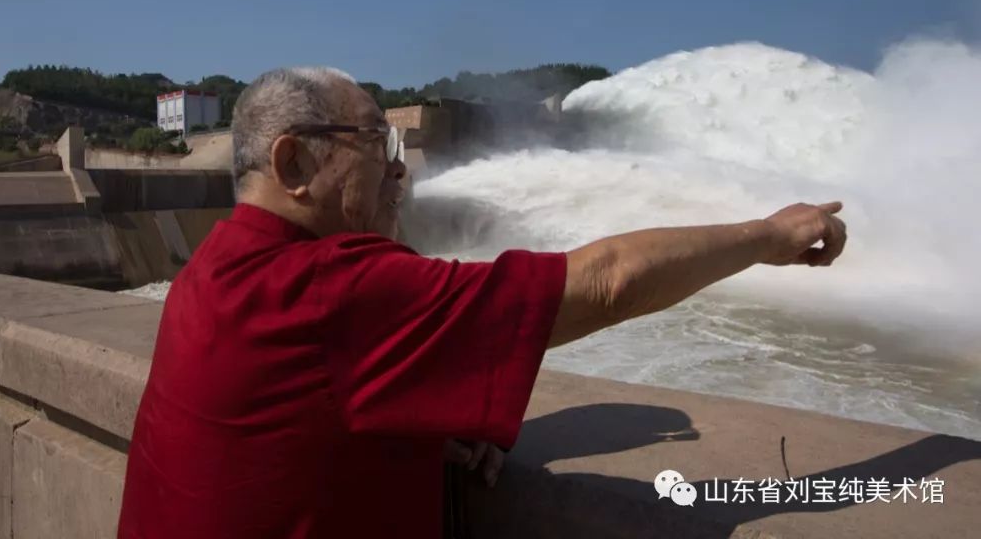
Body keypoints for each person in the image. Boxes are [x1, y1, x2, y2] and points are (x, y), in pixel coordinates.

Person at [118, 67, 847, 539]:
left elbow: (299, 409)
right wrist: (767, 236)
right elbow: (606, 281)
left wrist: (420, 419)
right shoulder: (332, 292)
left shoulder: (212, 267)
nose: (397, 171)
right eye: (378, 144)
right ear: (294, 163)